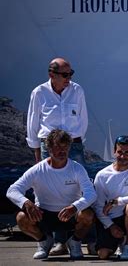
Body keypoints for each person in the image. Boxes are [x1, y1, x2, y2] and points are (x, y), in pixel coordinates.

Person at [26, 57, 90, 256]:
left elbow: (83, 118)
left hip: (73, 145)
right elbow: (33, 122)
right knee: (52, 191)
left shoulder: (77, 90)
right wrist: (37, 149)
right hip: (49, 147)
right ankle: (56, 241)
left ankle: (81, 239)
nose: (68, 78)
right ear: (51, 74)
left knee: (78, 190)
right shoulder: (39, 92)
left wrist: (76, 143)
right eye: (64, 75)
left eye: (71, 74)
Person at [6, 129, 96, 260]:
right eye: (57, 147)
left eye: (65, 146)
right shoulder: (37, 170)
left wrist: (75, 207)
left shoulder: (77, 168)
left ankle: (75, 242)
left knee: (88, 215)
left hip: (70, 214)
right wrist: (26, 203)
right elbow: (12, 190)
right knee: (21, 217)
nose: (62, 151)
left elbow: (91, 194)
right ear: (49, 149)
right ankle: (43, 241)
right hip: (44, 215)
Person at [93, 135, 128, 260]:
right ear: (114, 152)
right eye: (119, 152)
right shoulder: (102, 175)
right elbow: (98, 207)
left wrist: (116, 201)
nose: (123, 156)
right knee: (102, 255)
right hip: (112, 220)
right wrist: (111, 226)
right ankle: (114, 242)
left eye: (127, 152)